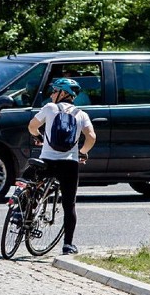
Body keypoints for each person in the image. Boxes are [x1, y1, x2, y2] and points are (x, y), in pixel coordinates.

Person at [24, 77, 96, 255]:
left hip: (47, 161)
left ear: (64, 93)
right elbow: (92, 137)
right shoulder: (81, 114)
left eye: (55, 91)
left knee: (27, 182)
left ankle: (21, 212)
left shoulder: (50, 109)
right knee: (69, 205)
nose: (51, 94)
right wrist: (82, 152)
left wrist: (39, 137)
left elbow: (32, 126)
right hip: (69, 165)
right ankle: (68, 245)